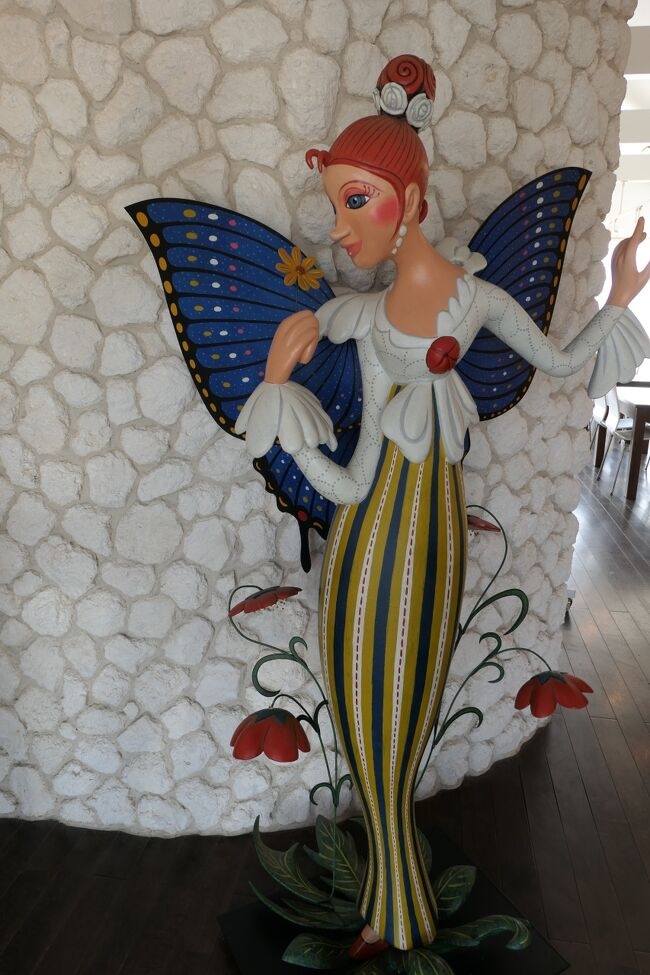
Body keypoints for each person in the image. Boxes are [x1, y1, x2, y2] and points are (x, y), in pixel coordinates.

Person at [236, 55, 650, 954]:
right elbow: (352, 483)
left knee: (404, 717)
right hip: (362, 550)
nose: (339, 227)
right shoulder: (356, 320)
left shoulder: (477, 301)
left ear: (413, 201)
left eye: (357, 201)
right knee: (365, 722)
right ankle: (396, 906)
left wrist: (621, 293)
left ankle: (395, 909)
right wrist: (279, 394)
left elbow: (561, 363)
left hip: (431, 546)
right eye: (337, 203)